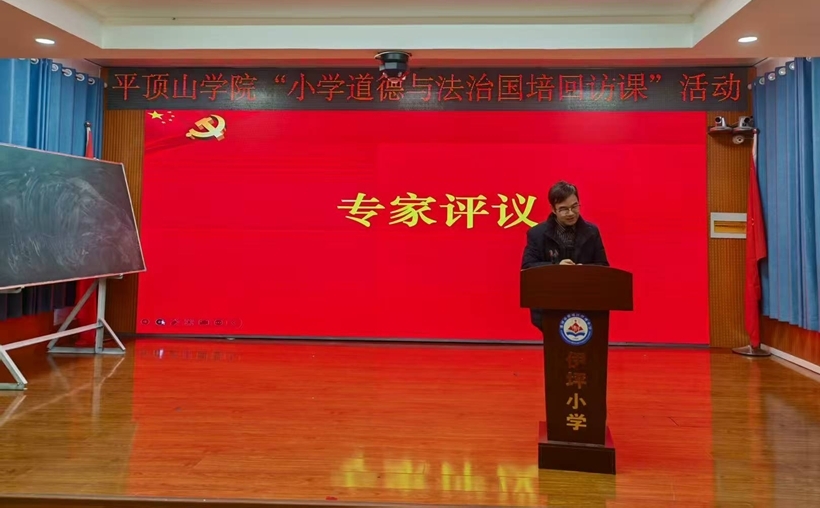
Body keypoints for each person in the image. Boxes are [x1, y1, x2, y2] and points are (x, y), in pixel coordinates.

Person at [521, 181, 609, 328]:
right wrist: (557, 268)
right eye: (563, 209)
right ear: (553, 209)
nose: (571, 213)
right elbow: (528, 267)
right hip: (550, 306)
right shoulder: (537, 234)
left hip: (585, 304)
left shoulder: (592, 232)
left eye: (574, 206)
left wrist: (585, 270)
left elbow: (603, 266)